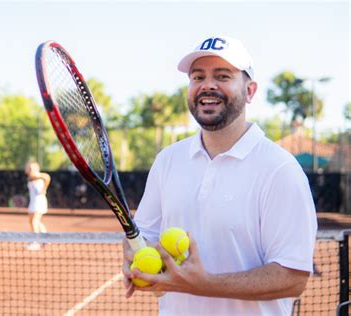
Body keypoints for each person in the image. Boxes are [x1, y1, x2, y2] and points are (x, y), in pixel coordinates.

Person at [122, 35, 317, 315]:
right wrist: (133, 257)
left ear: (250, 91)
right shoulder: (168, 160)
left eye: (222, 76)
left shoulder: (280, 169)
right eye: (197, 76)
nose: (207, 85)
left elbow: (293, 278)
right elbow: (146, 234)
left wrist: (203, 284)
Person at [24, 161, 51, 250]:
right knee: (35, 222)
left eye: (29, 167)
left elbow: (47, 177)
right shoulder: (31, 177)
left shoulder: (36, 175)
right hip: (33, 202)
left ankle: (35, 243)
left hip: (39, 202)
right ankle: (46, 239)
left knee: (34, 222)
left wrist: (44, 189)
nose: (26, 168)